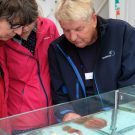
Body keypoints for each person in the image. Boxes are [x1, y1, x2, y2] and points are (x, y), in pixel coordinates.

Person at [48, 0, 135, 123]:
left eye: (79, 29)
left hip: (120, 118)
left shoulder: (122, 34)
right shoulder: (57, 49)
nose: (72, 37)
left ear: (93, 20)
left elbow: (131, 84)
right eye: (66, 30)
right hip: (81, 123)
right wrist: (67, 113)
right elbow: (59, 93)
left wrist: (115, 115)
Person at [0, 0, 59, 133]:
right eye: (18, 25)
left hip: (52, 114)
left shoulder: (49, 27)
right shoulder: (5, 40)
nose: (22, 30)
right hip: (21, 120)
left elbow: (60, 68)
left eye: (28, 24)